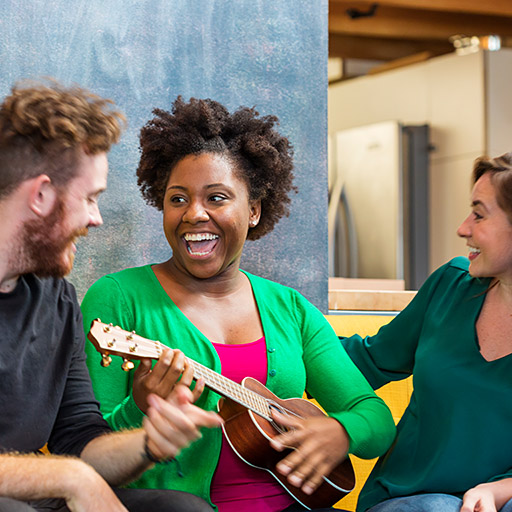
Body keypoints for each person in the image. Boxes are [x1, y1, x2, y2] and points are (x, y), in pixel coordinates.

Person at [80, 96, 397, 512]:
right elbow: (87, 452)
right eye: (178, 199)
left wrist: (340, 432)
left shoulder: (291, 309)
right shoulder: (117, 298)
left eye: (216, 198)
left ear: (253, 211)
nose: (194, 213)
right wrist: (139, 409)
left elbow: (374, 417)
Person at [0, 80, 222, 512]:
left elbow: (81, 442)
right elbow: (74, 469)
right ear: (42, 195)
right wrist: (71, 477)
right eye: (90, 198)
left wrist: (150, 443)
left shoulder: (55, 299)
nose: (96, 218)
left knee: (183, 510)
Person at [341, 153, 512, 512]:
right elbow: (367, 360)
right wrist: (274, 346)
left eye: (479, 214)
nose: (463, 228)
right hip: (409, 500)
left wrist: (499, 491)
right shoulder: (451, 285)